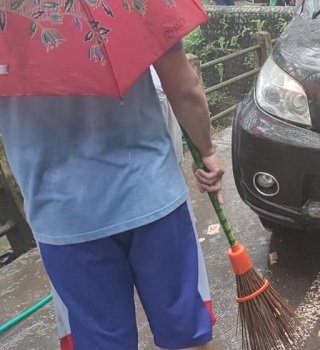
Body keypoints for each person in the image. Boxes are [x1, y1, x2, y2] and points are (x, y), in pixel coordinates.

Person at [0, 42, 225, 350]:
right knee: (186, 335)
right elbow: (184, 89)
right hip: (151, 194)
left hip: (64, 216)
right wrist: (207, 150)